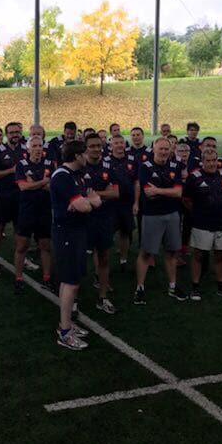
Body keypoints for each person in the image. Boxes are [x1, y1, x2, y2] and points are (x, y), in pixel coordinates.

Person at [49, 140, 99, 350]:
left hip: (77, 231)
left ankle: (67, 324)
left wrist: (87, 203)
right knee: (71, 282)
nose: (89, 156)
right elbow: (86, 204)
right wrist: (86, 203)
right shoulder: (62, 176)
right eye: (85, 153)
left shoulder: (78, 175)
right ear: (77, 156)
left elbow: (94, 200)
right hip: (66, 232)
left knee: (71, 280)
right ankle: (65, 331)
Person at [134, 137, 187, 304]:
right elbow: (148, 192)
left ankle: (172, 286)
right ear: (153, 149)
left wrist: (159, 190)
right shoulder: (145, 167)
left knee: (172, 252)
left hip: (172, 214)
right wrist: (168, 191)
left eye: (166, 149)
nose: (164, 152)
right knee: (146, 253)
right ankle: (140, 287)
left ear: (171, 150)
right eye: (161, 149)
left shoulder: (175, 166)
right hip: (151, 215)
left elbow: (179, 192)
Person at [182, 147, 222, 300]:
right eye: (208, 161)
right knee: (199, 255)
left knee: (221, 255)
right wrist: (198, 212)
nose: (212, 164)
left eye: (214, 160)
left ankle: (221, 286)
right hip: (202, 223)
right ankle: (195, 287)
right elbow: (186, 199)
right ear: (202, 162)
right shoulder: (194, 177)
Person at [83, 133, 119, 314]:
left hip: (104, 218)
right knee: (79, 259)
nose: (96, 149)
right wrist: (103, 192)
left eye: (99, 145)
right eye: (92, 146)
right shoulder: (80, 166)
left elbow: (115, 193)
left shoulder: (108, 165)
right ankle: (74, 298)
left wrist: (93, 194)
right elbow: (79, 194)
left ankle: (103, 297)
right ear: (85, 148)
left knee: (104, 256)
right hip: (83, 219)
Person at [13, 136, 55, 294]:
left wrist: (34, 183)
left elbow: (53, 187)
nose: (38, 148)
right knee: (22, 245)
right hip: (27, 211)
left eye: (40, 145)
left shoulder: (50, 164)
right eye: (34, 146)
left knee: (45, 245)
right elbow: (23, 187)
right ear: (28, 148)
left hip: (44, 211)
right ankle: (18, 278)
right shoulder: (21, 164)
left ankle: (47, 277)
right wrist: (43, 182)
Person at [0, 122, 25, 276]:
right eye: (11, 132)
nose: (15, 134)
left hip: (21, 196)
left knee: (20, 229)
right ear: (6, 134)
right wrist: (11, 170)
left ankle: (22, 257)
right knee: (0, 227)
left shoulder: (25, 150)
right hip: (4, 195)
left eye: (17, 132)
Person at [106, 134, 138, 272]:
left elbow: (137, 182)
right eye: (116, 143)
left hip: (127, 203)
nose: (119, 145)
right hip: (110, 204)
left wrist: (136, 202)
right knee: (108, 233)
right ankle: (104, 262)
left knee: (125, 233)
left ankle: (123, 259)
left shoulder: (132, 160)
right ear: (111, 145)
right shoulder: (105, 161)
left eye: (121, 143)